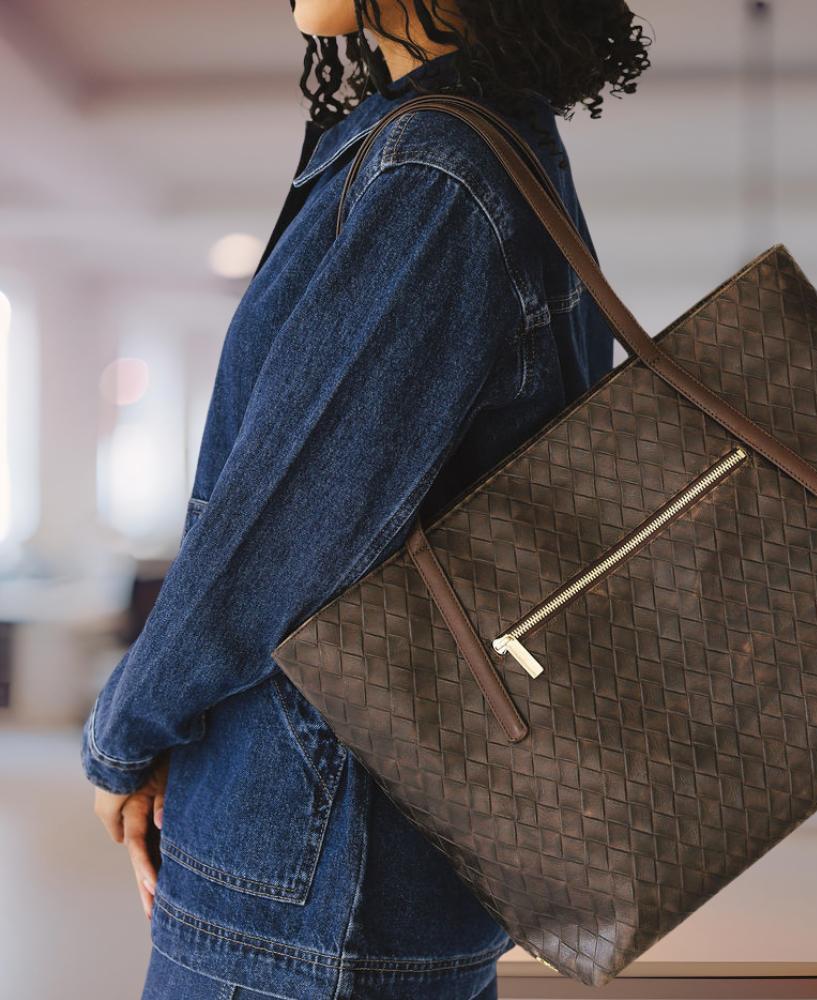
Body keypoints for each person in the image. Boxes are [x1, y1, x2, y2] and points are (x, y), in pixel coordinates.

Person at [80, 2, 651, 997]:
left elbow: (287, 521)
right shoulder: (477, 145)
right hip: (368, 838)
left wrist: (125, 731)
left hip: (317, 845)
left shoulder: (436, 171)